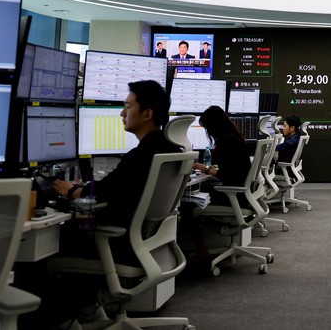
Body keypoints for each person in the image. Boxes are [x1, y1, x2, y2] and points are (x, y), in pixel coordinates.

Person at [21, 80, 181, 328]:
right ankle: (87, 311)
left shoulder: (140, 156)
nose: (122, 113)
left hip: (121, 245)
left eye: (127, 106)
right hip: (149, 245)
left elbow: (103, 195)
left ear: (147, 113)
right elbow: (116, 192)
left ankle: (64, 319)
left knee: (44, 250)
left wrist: (72, 191)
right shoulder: (170, 150)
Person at [183, 106, 251, 262]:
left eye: (207, 127)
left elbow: (226, 174)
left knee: (187, 204)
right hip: (241, 193)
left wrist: (206, 169)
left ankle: (202, 252)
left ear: (213, 126)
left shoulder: (227, 141)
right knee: (204, 189)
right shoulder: (233, 137)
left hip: (233, 196)